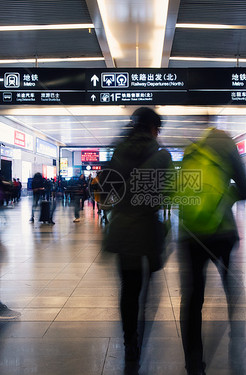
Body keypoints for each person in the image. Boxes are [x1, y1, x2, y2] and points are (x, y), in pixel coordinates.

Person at [101, 107, 172, 372]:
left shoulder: (118, 150)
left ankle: (129, 340)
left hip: (122, 229)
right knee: (146, 290)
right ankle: (139, 335)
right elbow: (165, 193)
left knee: (128, 289)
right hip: (148, 231)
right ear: (154, 129)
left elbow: (106, 188)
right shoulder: (162, 155)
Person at [178, 127, 246, 375]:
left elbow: (180, 194)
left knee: (192, 298)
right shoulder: (227, 143)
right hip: (222, 231)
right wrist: (224, 198)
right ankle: (236, 336)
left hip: (191, 234)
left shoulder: (190, 151)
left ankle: (193, 361)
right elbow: (245, 188)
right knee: (230, 284)